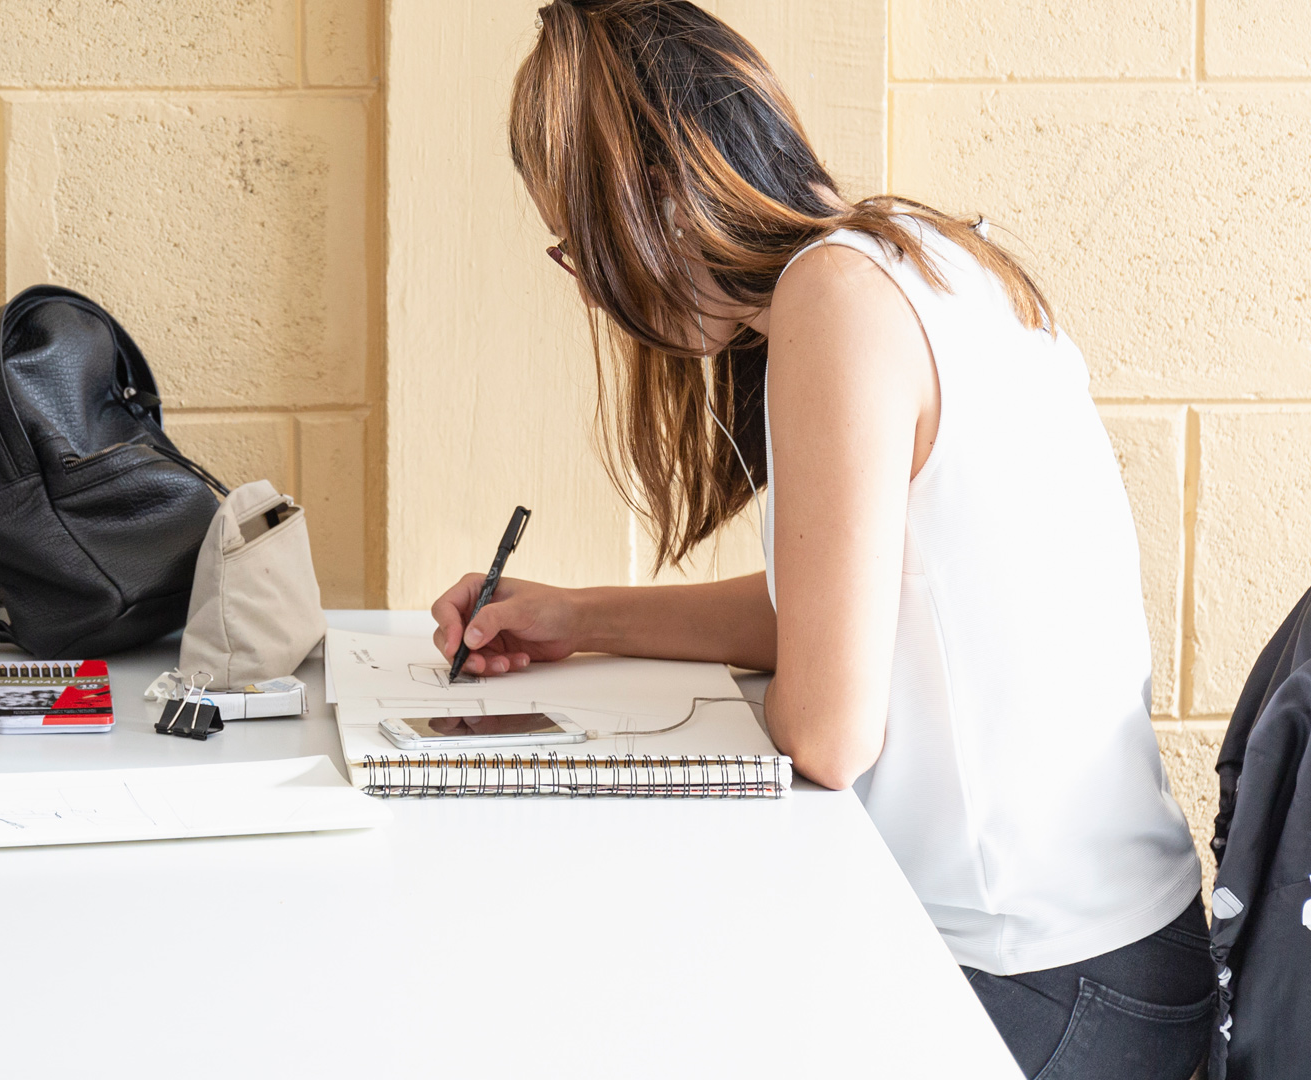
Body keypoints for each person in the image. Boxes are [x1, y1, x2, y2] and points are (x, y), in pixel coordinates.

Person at [430, 3, 1214, 1076]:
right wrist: (576, 615)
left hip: (1039, 989)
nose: (593, 291)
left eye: (580, 248)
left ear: (649, 201)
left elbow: (830, 733)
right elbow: (855, 610)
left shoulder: (834, 298)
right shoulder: (924, 256)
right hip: (1121, 964)